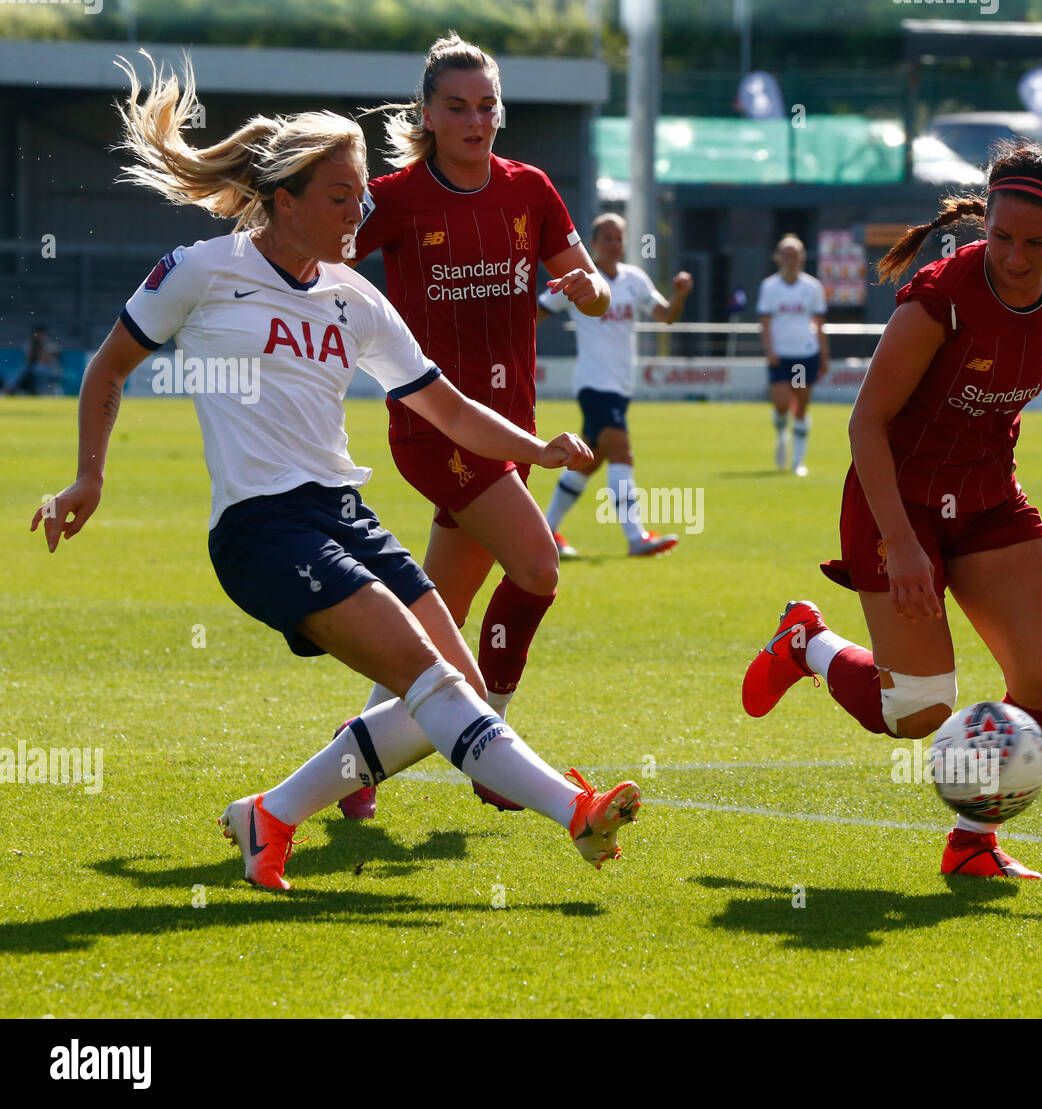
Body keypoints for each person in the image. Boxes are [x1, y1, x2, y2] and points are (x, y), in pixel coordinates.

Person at [30, 54, 640, 891]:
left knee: (446, 691)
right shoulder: (203, 271)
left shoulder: (356, 297)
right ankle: (574, 812)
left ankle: (271, 813)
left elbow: (449, 409)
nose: (360, 211)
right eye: (339, 197)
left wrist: (538, 450)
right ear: (283, 201)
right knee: (435, 682)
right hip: (260, 528)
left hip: (342, 514)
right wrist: (87, 479)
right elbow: (107, 369)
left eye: (361, 194)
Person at [742, 142, 1042, 881]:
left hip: (986, 495)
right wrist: (902, 546)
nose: (1013, 255)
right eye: (1000, 236)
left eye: (1035, 242)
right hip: (893, 501)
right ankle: (807, 641)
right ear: (984, 220)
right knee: (915, 712)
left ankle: (974, 842)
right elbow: (865, 424)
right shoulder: (941, 292)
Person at [341, 32, 612, 819]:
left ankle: (353, 758)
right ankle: (496, 749)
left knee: (435, 615)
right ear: (426, 114)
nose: (475, 120)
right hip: (434, 430)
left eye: (487, 105)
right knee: (537, 568)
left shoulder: (530, 189)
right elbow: (319, 263)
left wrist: (589, 289)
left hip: (509, 428)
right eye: (456, 107)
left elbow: (579, 280)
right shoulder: (391, 200)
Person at [537, 211, 693, 558]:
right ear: (592, 244)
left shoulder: (635, 280)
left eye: (618, 237)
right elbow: (535, 314)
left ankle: (545, 532)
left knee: (588, 462)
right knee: (622, 452)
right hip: (594, 385)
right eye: (606, 238)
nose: (613, 244)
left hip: (621, 387)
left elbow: (666, 316)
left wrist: (680, 294)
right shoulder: (578, 282)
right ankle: (636, 537)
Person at [757, 235, 829, 477]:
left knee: (800, 406)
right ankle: (781, 437)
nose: (791, 260)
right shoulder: (769, 287)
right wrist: (770, 351)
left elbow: (819, 323)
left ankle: (798, 461)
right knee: (781, 404)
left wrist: (824, 355)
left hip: (805, 354)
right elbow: (765, 323)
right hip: (781, 355)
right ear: (778, 257)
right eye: (786, 254)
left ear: (802, 257)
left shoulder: (812, 287)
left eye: (795, 254)